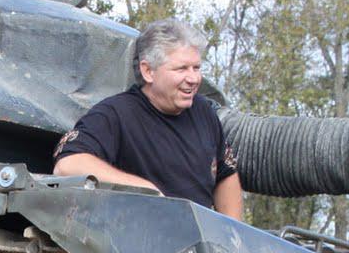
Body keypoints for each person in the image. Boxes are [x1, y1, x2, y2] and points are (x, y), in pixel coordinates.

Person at [52, 18, 243, 219]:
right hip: (138, 241)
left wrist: (234, 235)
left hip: (201, 242)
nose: (193, 78)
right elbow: (68, 164)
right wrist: (145, 190)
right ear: (148, 71)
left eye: (196, 68)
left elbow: (225, 172)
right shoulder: (114, 114)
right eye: (181, 69)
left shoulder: (204, 111)